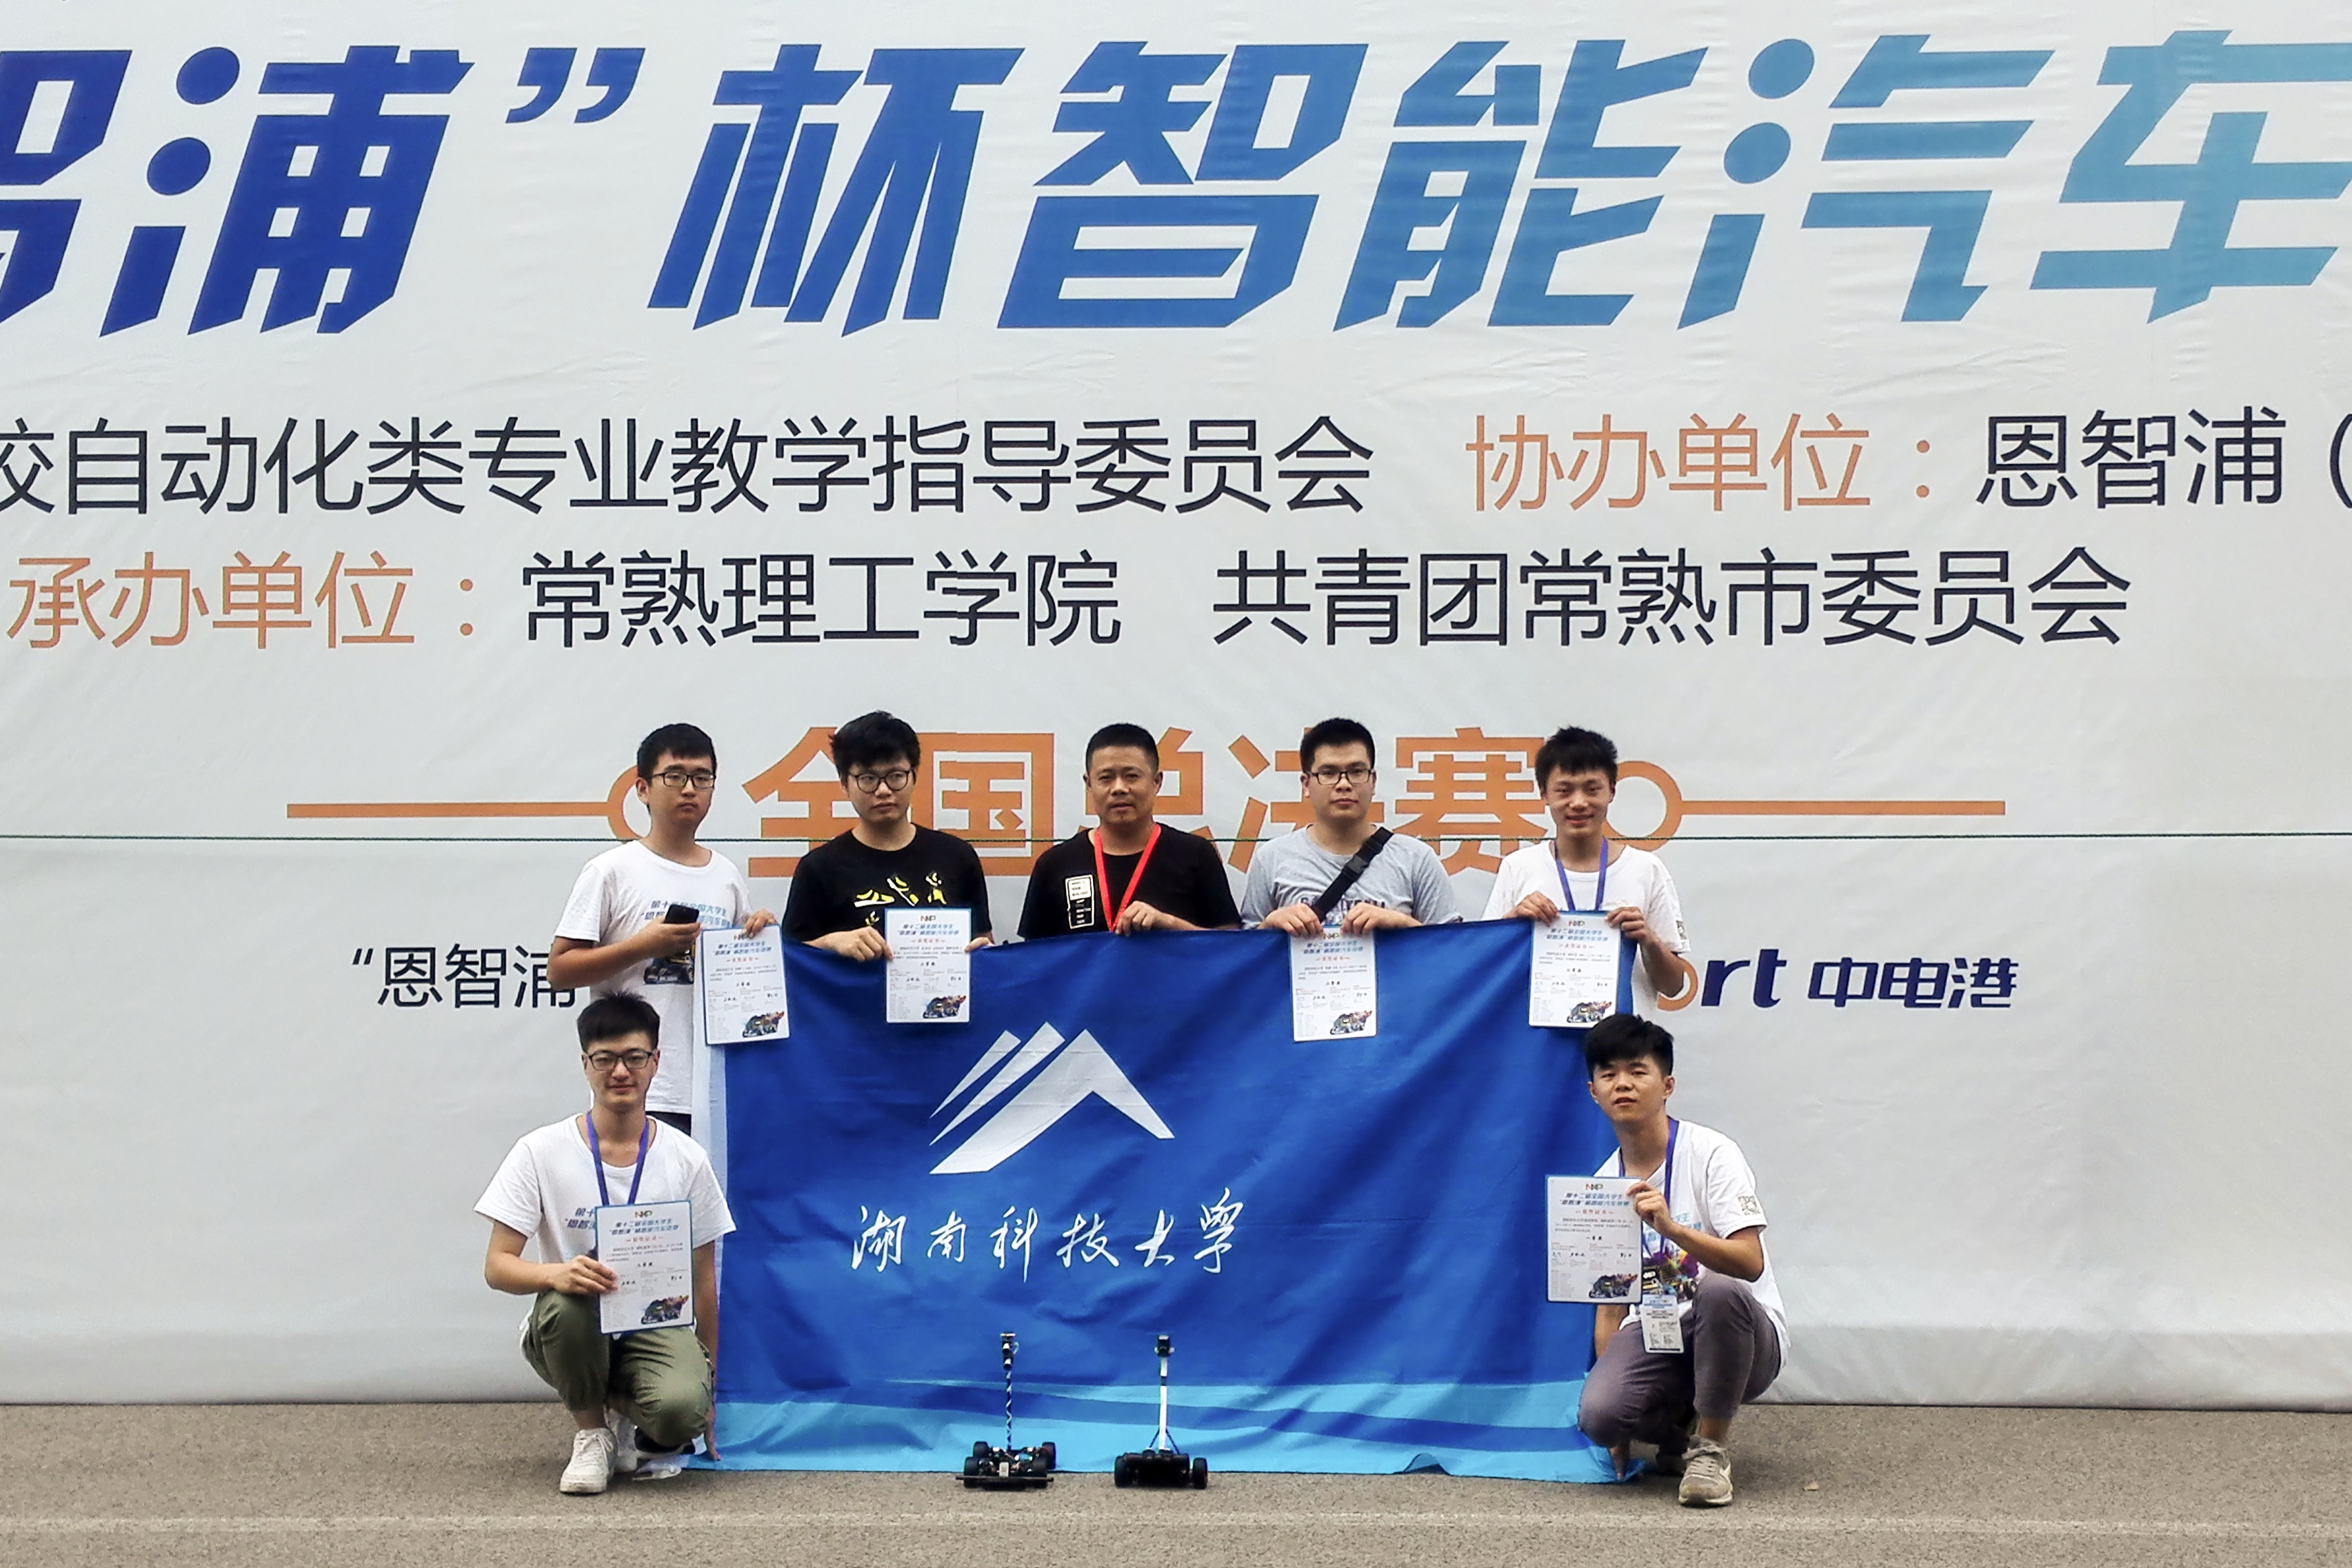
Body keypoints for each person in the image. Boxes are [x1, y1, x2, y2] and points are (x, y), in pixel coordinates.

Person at [477, 996, 734, 1495]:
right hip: (573, 1321)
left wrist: (709, 1386)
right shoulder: (540, 1151)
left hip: (653, 1324)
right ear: (585, 1064)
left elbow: (704, 1276)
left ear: (656, 1062)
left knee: (680, 1413)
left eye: (635, 1057)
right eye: (605, 1059)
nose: (620, 1071)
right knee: (570, 1301)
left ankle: (629, 1408)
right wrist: (556, 1273)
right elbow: (497, 1266)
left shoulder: (686, 1158)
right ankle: (592, 1433)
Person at [1574, 1014, 1786, 1507]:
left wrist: (1673, 1231)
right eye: (1608, 1074)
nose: (1622, 1084)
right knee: (1599, 1416)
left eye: (1637, 1071)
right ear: (1593, 1092)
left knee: (1718, 1289)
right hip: (1658, 1336)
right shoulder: (1601, 1186)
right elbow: (1610, 1307)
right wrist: (1618, 1429)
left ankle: (1710, 1451)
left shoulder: (1712, 1153)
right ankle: (1676, 1434)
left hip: (1744, 1337)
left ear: (1667, 1085)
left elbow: (1749, 1263)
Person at [548, 723, 775, 1136]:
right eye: (674, 776)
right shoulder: (611, 870)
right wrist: (642, 946)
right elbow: (560, 971)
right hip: (638, 1086)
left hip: (715, 1088)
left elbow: (744, 983)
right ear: (642, 789)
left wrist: (761, 938)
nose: (689, 789)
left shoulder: (725, 875)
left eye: (702, 778)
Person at [1482, 726, 1691, 1013]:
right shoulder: (1518, 867)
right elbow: (1487, 970)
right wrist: (1513, 922)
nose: (1579, 803)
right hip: (1539, 1035)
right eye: (1564, 791)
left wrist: (1649, 939)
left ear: (1612, 791)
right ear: (1544, 794)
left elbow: (1674, 986)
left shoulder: (1646, 869)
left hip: (1624, 1039)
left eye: (1592, 790)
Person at [781, 711, 994, 959]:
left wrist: (985, 951)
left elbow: (983, 939)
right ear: (844, 784)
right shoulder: (819, 868)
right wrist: (831, 942)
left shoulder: (957, 856)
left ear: (914, 776)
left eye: (896, 776)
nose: (883, 790)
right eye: (868, 779)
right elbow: (791, 959)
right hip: (856, 987)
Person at [1018, 723, 1240, 938]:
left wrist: (1168, 923)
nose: (1119, 788)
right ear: (1088, 784)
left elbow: (1231, 946)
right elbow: (1034, 957)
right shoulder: (1055, 864)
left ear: (1156, 782)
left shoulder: (1196, 854)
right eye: (1106, 778)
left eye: (1131, 776)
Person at [1241, 716, 1460, 934]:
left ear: (1373, 781)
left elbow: (1454, 946)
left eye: (1357, 772)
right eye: (1328, 773)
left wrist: (1405, 925)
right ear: (1306, 784)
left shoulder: (1416, 859)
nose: (1344, 784)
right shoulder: (1272, 858)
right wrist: (1269, 925)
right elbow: (1245, 951)